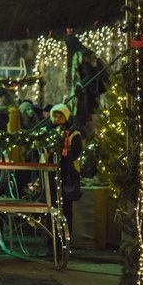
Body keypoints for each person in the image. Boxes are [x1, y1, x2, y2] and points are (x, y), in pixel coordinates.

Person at [50, 103, 82, 243]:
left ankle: (64, 241)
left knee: (65, 208)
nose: (57, 117)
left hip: (67, 174)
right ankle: (51, 241)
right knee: (51, 207)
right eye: (55, 114)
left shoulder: (74, 133)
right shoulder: (48, 131)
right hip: (51, 173)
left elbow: (76, 152)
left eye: (60, 114)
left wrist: (66, 150)